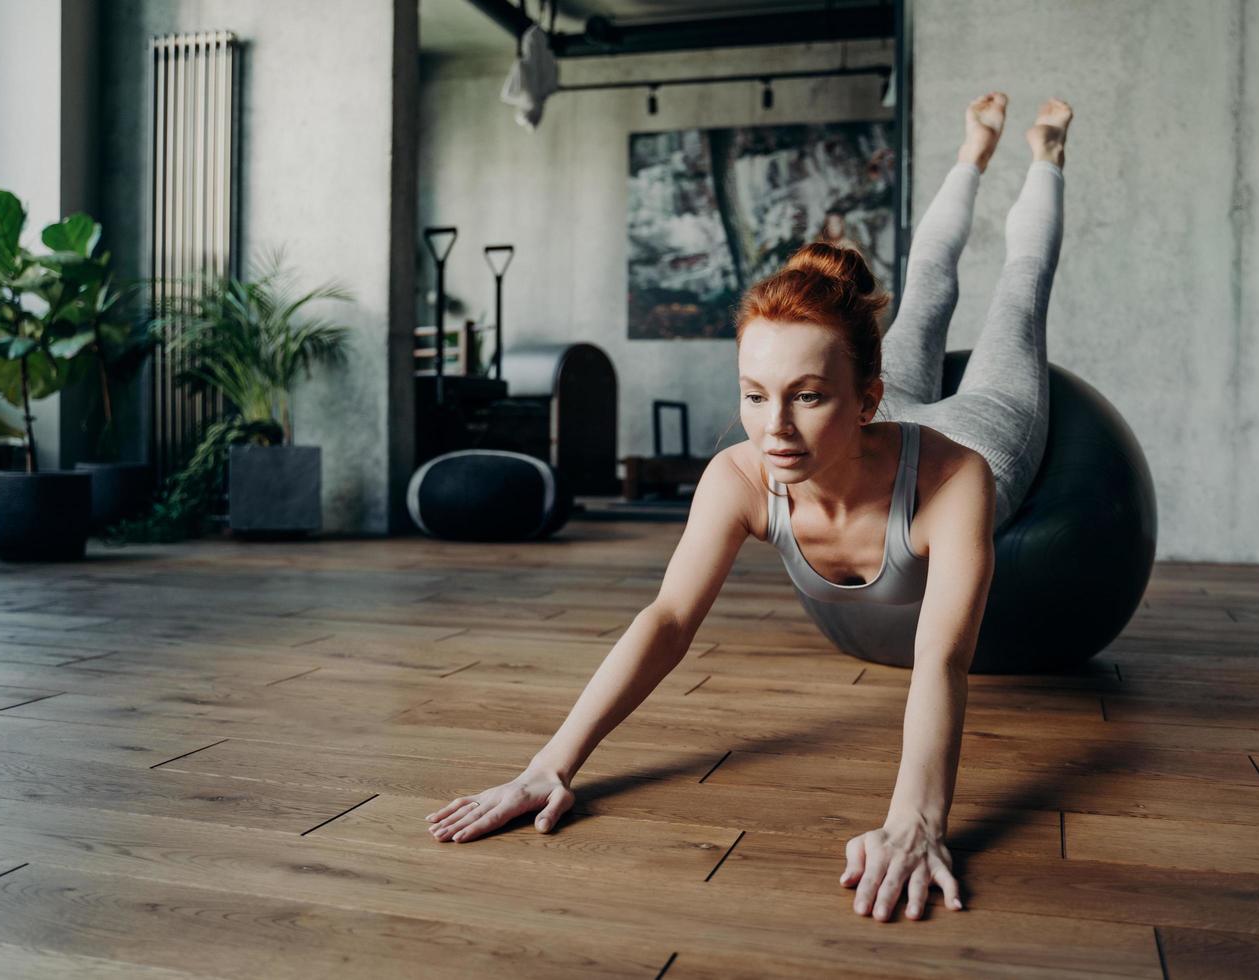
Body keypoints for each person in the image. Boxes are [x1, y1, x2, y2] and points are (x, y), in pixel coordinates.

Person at [425, 91, 1072, 925]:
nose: (773, 428)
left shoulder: (960, 482)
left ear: (863, 397)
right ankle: (974, 151)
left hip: (977, 426)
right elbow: (666, 619)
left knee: (1017, 296)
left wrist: (915, 822)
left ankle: (1046, 151)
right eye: (754, 394)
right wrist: (549, 764)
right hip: (874, 427)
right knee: (924, 282)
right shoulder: (741, 475)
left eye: (805, 396)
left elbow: (941, 659)